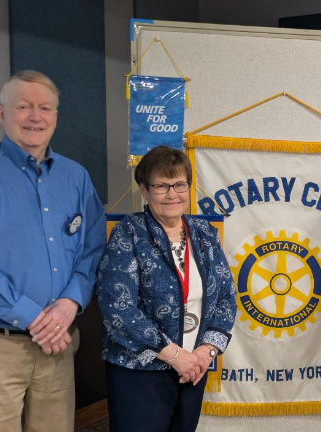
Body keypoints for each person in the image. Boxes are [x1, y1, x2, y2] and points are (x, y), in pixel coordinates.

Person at [0, 70, 106, 431]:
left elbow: (93, 248)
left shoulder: (76, 177)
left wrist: (69, 304)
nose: (35, 116)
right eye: (23, 106)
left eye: (45, 108)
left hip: (58, 347)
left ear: (55, 117)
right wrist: (35, 318)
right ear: (2, 113)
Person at [97, 146, 237, 432]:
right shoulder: (129, 232)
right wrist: (175, 356)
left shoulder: (204, 233)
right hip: (141, 373)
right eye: (161, 186)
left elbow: (226, 297)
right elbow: (119, 310)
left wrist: (205, 352)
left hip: (193, 369)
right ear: (144, 189)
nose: (172, 194)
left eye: (179, 184)